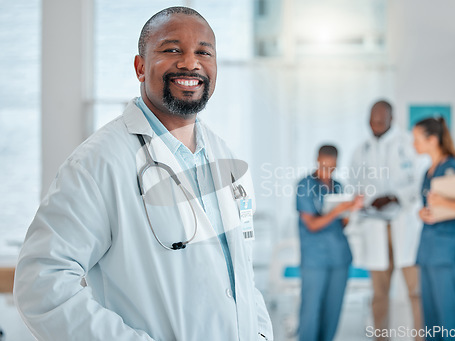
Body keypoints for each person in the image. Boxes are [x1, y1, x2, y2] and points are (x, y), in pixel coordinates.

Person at [14, 7, 273, 341]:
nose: (190, 63)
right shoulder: (99, 163)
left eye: (203, 52)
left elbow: (240, 273)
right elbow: (41, 284)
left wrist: (261, 333)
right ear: (140, 67)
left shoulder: (225, 156)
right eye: (172, 49)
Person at [349, 100, 423, 341]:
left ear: (392, 119)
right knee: (379, 294)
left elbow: (418, 181)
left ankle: (421, 337)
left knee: (415, 291)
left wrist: (394, 196)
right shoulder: (361, 150)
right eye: (372, 119)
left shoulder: (407, 145)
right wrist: (371, 199)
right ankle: (381, 338)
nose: (375, 124)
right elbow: (355, 186)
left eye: (380, 119)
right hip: (375, 226)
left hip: (403, 224)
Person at [412, 117, 455, 341]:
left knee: (450, 320)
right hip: (429, 253)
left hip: (447, 254)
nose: (414, 144)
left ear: (432, 140)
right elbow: (429, 207)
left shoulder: (453, 168)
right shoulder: (428, 171)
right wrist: (422, 213)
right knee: (431, 321)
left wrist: (444, 203)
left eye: (417, 139)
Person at [296, 145, 363, 341]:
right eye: (324, 165)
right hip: (315, 258)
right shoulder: (304, 185)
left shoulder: (339, 186)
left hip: (339, 257)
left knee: (333, 309)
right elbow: (312, 225)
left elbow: (343, 223)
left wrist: (352, 208)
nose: (328, 171)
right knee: (311, 309)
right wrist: (337, 210)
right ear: (317, 160)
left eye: (332, 167)